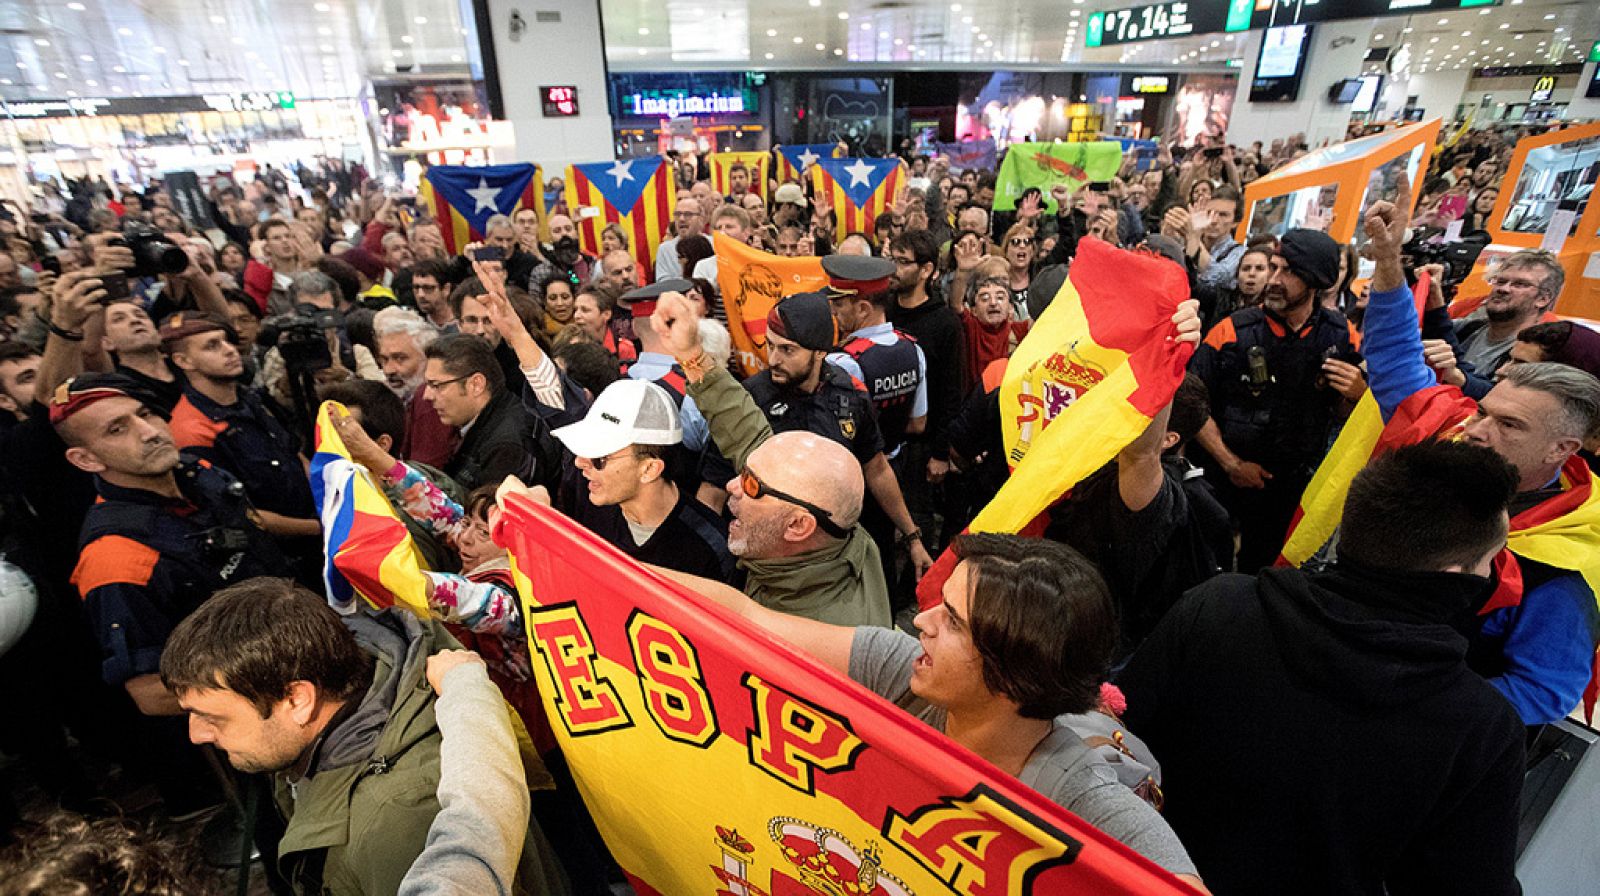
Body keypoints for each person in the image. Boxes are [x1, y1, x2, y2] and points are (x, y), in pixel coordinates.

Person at [653, 532, 1202, 887]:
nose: (922, 621)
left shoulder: (1084, 802)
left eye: (954, 622)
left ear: (1012, 673)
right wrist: (587, 558)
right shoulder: (909, 674)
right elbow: (748, 620)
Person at [1118, 441, 1524, 895]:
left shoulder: (1218, 606)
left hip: (1135, 878)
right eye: (1491, 560)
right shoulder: (1480, 725)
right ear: (1455, 576)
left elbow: (1117, 734)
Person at [1359, 175, 1600, 726]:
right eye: (1484, 410)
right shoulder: (1452, 436)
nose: (1476, 428)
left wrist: (1415, 710)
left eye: (1507, 424)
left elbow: (1541, 691)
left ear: (1562, 448)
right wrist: (1389, 263)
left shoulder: (1570, 563)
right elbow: (1398, 364)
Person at [158, 578, 566, 896]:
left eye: (212, 717)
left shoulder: (399, 821)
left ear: (298, 699)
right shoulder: (303, 737)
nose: (196, 735)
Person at [653, 291, 891, 626]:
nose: (733, 484)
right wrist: (691, 353)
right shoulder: (839, 533)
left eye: (752, 485)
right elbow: (746, 432)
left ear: (798, 525)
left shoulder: (808, 633)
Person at [1190, 228, 1365, 571]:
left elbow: (1343, 414)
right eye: (1273, 267)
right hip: (1222, 476)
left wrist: (1357, 395)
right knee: (1206, 565)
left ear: (1315, 281)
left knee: (1265, 569)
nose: (1273, 279)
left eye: (1288, 272)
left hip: (1288, 486)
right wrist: (1231, 464)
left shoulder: (1342, 336)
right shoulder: (1231, 329)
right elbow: (1192, 403)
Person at [546, 379, 734, 579]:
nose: (580, 463)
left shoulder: (708, 550)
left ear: (650, 469)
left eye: (599, 458)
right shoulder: (584, 490)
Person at [164, 313, 321, 546]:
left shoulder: (248, 398)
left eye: (226, 340)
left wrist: (327, 495)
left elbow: (291, 453)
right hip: (278, 548)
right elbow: (243, 514)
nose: (229, 350)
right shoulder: (192, 431)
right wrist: (320, 528)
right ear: (184, 361)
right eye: (212, 346)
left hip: (313, 518)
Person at [425, 333, 557, 492]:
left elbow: (489, 513)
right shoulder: (488, 419)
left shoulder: (507, 446)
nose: (427, 395)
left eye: (437, 385)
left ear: (476, 384)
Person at [1453, 249, 1563, 381]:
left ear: (1543, 299)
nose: (1503, 289)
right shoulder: (1468, 328)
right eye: (1500, 281)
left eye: (1520, 284)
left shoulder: (1534, 355)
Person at [371, 306, 455, 469]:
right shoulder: (397, 399)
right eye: (384, 359)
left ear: (427, 359)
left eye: (400, 358)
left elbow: (425, 474)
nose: (389, 370)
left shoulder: (431, 404)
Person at [409, 258, 456, 330]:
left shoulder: (466, 321)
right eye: (416, 287)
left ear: (446, 289)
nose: (420, 294)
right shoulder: (415, 327)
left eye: (428, 288)